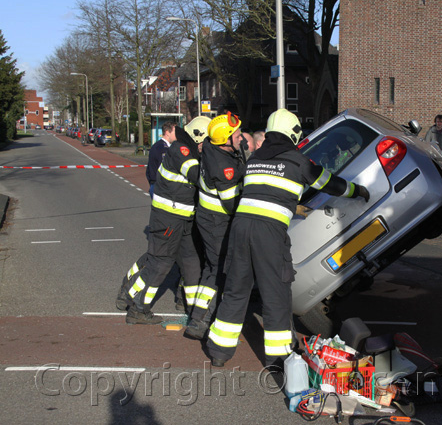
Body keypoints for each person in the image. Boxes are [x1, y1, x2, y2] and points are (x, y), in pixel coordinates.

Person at [206, 109, 370, 368]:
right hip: (269, 234)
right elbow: (330, 184)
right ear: (293, 133)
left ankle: (218, 351)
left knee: (236, 290)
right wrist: (357, 190)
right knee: (276, 294)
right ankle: (279, 357)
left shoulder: (255, 159)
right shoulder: (298, 161)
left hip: (240, 228)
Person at [115, 117, 209, 324]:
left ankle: (193, 309)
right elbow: (198, 176)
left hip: (183, 219)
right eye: (206, 141)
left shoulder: (192, 151)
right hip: (168, 219)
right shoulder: (181, 151)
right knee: (161, 263)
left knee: (192, 263)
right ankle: (137, 306)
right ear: (198, 138)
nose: (207, 146)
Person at [184, 113, 246, 339]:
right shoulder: (223, 166)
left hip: (209, 219)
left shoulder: (213, 148)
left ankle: (198, 317)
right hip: (216, 222)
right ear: (226, 139)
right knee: (217, 270)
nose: (241, 138)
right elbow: (232, 204)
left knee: (212, 268)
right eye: (237, 135)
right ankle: (200, 321)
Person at [146, 121, 177, 199]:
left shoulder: (159, 146)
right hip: (160, 186)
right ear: (167, 133)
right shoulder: (162, 149)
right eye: (175, 132)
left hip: (157, 185)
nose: (177, 135)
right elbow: (165, 169)